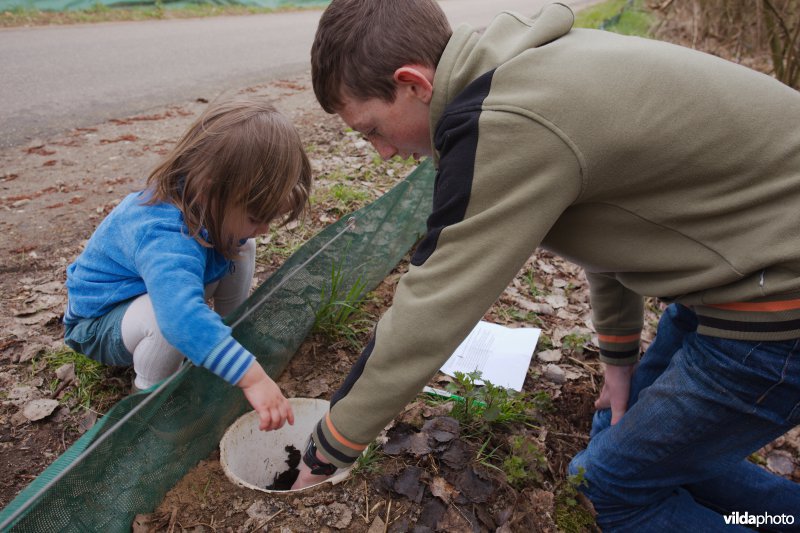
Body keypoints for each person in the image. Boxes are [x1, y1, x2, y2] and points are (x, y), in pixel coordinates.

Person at [292, 0, 800, 528]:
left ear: (414, 83)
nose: (382, 153)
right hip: (745, 273)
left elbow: (433, 306)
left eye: (371, 129)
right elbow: (620, 215)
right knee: (617, 430)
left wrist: (328, 448)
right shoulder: (523, 67)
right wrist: (619, 358)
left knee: (605, 494)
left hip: (775, 308)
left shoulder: (506, 121)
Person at [63, 94, 311, 432]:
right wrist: (252, 379)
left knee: (243, 245)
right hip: (100, 323)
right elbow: (178, 318)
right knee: (169, 321)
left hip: (148, 298)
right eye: (256, 216)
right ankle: (149, 400)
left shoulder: (203, 202)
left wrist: (229, 354)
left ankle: (227, 335)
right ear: (210, 191)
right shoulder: (162, 233)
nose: (265, 229)